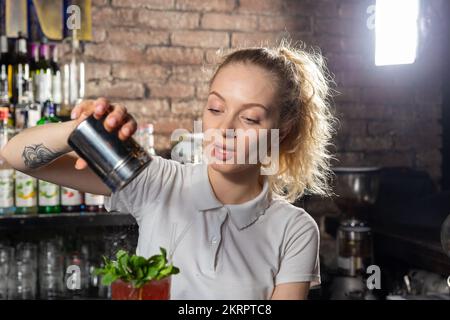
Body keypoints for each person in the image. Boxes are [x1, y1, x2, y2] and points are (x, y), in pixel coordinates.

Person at [1, 41, 335, 299]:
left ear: (284, 129)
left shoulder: (295, 230)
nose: (225, 128)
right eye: (215, 108)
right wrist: (80, 129)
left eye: (249, 118)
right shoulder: (157, 182)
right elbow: (16, 155)